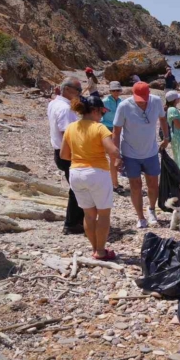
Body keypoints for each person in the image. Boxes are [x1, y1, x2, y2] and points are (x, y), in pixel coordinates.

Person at [60, 96, 120, 260]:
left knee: (89, 214)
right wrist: (119, 158)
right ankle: (101, 251)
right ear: (94, 111)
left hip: (76, 173)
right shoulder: (99, 128)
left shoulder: (71, 128)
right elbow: (112, 150)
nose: (101, 116)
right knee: (104, 214)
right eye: (101, 112)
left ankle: (95, 249)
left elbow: (64, 154)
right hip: (96, 173)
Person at [113, 82, 171, 228]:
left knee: (153, 184)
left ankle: (151, 209)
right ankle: (140, 217)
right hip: (130, 153)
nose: (142, 102)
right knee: (135, 185)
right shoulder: (124, 106)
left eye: (144, 98)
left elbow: (163, 119)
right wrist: (116, 156)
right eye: (139, 99)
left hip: (150, 151)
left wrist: (166, 138)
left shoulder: (156, 101)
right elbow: (116, 131)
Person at [48, 77, 86, 235]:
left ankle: (76, 221)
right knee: (78, 188)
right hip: (68, 152)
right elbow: (67, 134)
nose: (80, 94)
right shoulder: (65, 109)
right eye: (78, 90)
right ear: (68, 89)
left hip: (59, 151)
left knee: (76, 187)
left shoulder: (54, 103)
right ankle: (72, 223)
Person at [101, 81, 124, 194]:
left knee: (114, 157)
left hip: (118, 130)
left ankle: (113, 181)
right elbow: (99, 116)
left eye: (117, 90)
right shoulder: (104, 102)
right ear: (110, 91)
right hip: (107, 130)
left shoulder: (121, 102)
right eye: (113, 90)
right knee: (113, 157)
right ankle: (114, 184)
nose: (116, 92)